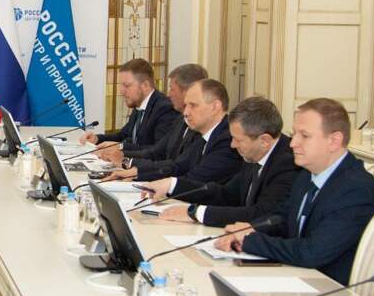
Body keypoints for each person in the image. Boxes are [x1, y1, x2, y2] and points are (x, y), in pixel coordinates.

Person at [215, 98, 374, 285]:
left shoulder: (356, 190)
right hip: (303, 278)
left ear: (334, 141)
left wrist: (250, 240)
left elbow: (312, 252)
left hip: (337, 291)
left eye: (304, 136)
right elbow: (282, 218)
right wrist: (250, 228)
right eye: (294, 134)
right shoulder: (307, 174)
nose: (292, 143)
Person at [140, 96, 299, 226]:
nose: (232, 145)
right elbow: (226, 194)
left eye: (238, 140)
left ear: (264, 141)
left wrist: (195, 213)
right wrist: (172, 185)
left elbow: (261, 214)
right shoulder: (254, 153)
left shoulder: (288, 163)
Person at [120, 79, 242, 183]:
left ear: (215, 107)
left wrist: (161, 185)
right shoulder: (204, 136)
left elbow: (195, 180)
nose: (186, 113)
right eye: (186, 105)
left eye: (193, 105)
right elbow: (177, 166)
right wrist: (137, 174)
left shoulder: (228, 139)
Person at [96, 63, 207, 172]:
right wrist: (116, 152)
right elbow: (156, 151)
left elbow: (175, 164)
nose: (169, 94)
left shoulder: (167, 109)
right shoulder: (180, 120)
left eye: (172, 89)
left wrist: (125, 159)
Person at [79, 58, 177, 151]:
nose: (121, 91)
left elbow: (158, 151)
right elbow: (123, 135)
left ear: (145, 85)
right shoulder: (139, 104)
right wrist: (97, 139)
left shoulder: (165, 109)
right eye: (121, 86)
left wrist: (121, 147)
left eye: (127, 86)